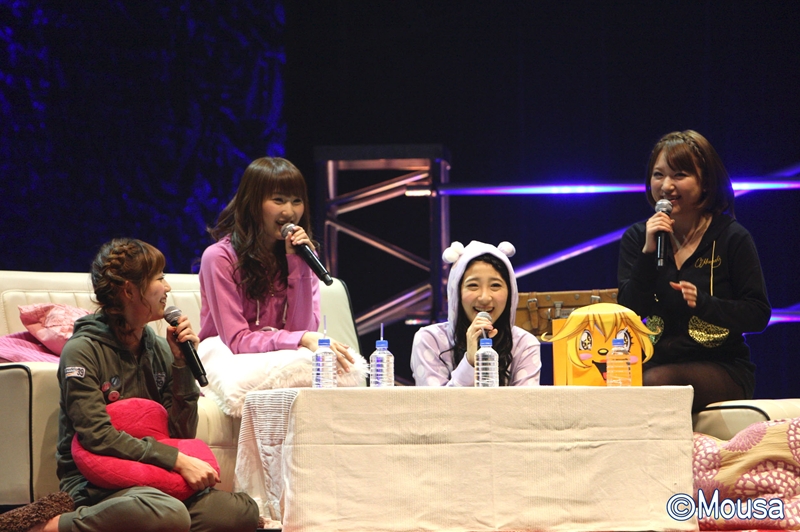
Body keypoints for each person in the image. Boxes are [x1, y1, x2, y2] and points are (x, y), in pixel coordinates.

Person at [0, 238, 260, 532]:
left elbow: (181, 433)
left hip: (155, 476)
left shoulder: (159, 348)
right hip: (95, 482)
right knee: (166, 513)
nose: (167, 287)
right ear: (129, 290)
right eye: (159, 278)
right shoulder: (82, 350)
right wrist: (176, 460)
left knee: (239, 512)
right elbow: (97, 436)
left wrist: (182, 366)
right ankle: (56, 526)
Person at [617, 130, 771, 412]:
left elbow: (758, 314)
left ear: (706, 182)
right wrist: (648, 254)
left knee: (656, 383)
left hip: (721, 366)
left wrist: (705, 304)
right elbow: (629, 309)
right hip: (654, 362)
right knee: (612, 384)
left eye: (679, 175)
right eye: (658, 175)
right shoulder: (639, 238)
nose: (666, 186)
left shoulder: (731, 237)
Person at [199, 157, 354, 371]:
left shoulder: (304, 255)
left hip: (282, 361)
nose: (289, 212)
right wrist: (301, 338)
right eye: (278, 200)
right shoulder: (220, 257)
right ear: (252, 203)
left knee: (342, 369)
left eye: (297, 201)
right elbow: (235, 340)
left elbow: (301, 330)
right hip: (227, 363)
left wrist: (298, 265)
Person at [411, 240, 541, 386]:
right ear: (456, 292)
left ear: (510, 292)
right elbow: (434, 401)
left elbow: (525, 400)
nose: (484, 298)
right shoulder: (430, 340)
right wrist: (470, 361)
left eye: (495, 285)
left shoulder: (524, 344)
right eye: (473, 285)